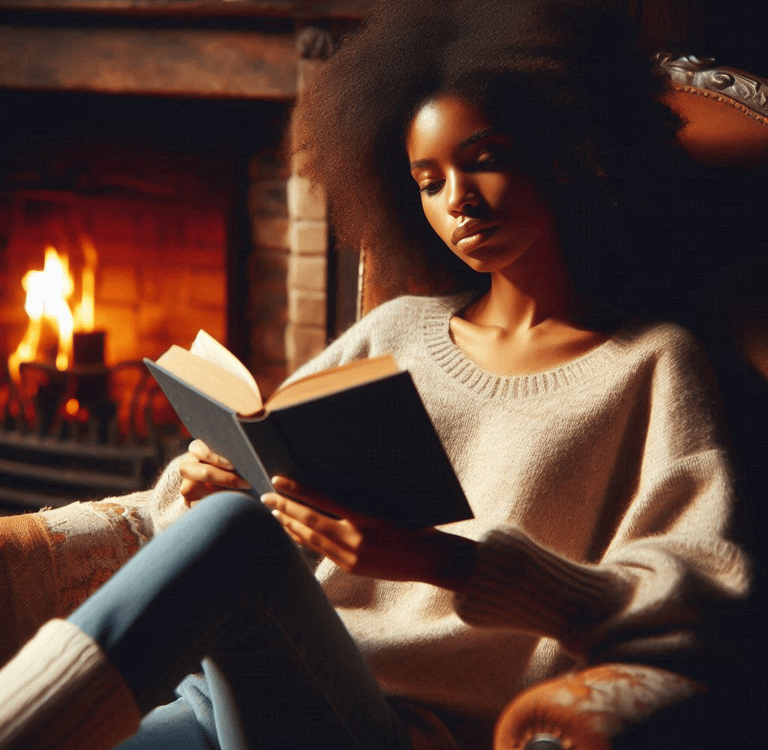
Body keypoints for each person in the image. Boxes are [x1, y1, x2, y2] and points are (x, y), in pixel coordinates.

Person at [0, 1, 752, 749]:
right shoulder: (397, 333)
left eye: (482, 157)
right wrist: (208, 494)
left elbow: (698, 601)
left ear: (561, 153)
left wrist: (445, 560)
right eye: (428, 180)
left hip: (382, 729)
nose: (457, 200)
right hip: (232, 689)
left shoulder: (651, 364)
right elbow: (241, 519)